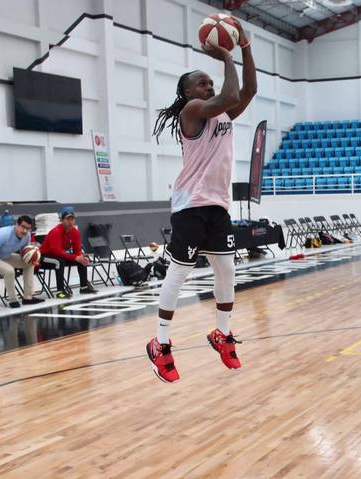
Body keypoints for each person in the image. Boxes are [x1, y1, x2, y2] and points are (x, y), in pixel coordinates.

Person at [145, 20, 256, 383]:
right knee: (180, 271)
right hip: (190, 204)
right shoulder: (191, 111)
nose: (208, 85)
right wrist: (226, 55)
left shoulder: (220, 112)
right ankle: (159, 343)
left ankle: (221, 333)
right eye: (202, 82)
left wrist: (246, 47)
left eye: (210, 81)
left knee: (227, 272)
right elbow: (229, 95)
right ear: (188, 91)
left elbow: (246, 92)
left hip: (217, 206)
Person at [0, 215, 44, 308]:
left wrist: (32, 259)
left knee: (29, 264)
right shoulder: (4, 235)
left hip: (2, 255)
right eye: (23, 227)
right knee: (9, 271)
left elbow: (24, 252)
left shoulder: (27, 236)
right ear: (16, 225)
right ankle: (13, 300)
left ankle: (28, 297)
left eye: (28, 228)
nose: (25, 231)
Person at [39, 206, 97, 298]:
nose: (70, 222)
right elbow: (57, 252)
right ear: (62, 220)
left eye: (72, 219)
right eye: (68, 219)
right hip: (44, 257)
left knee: (82, 258)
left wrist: (81, 258)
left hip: (58, 256)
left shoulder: (74, 232)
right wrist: (75, 257)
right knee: (59, 261)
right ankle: (60, 292)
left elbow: (77, 251)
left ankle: (84, 287)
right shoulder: (56, 232)